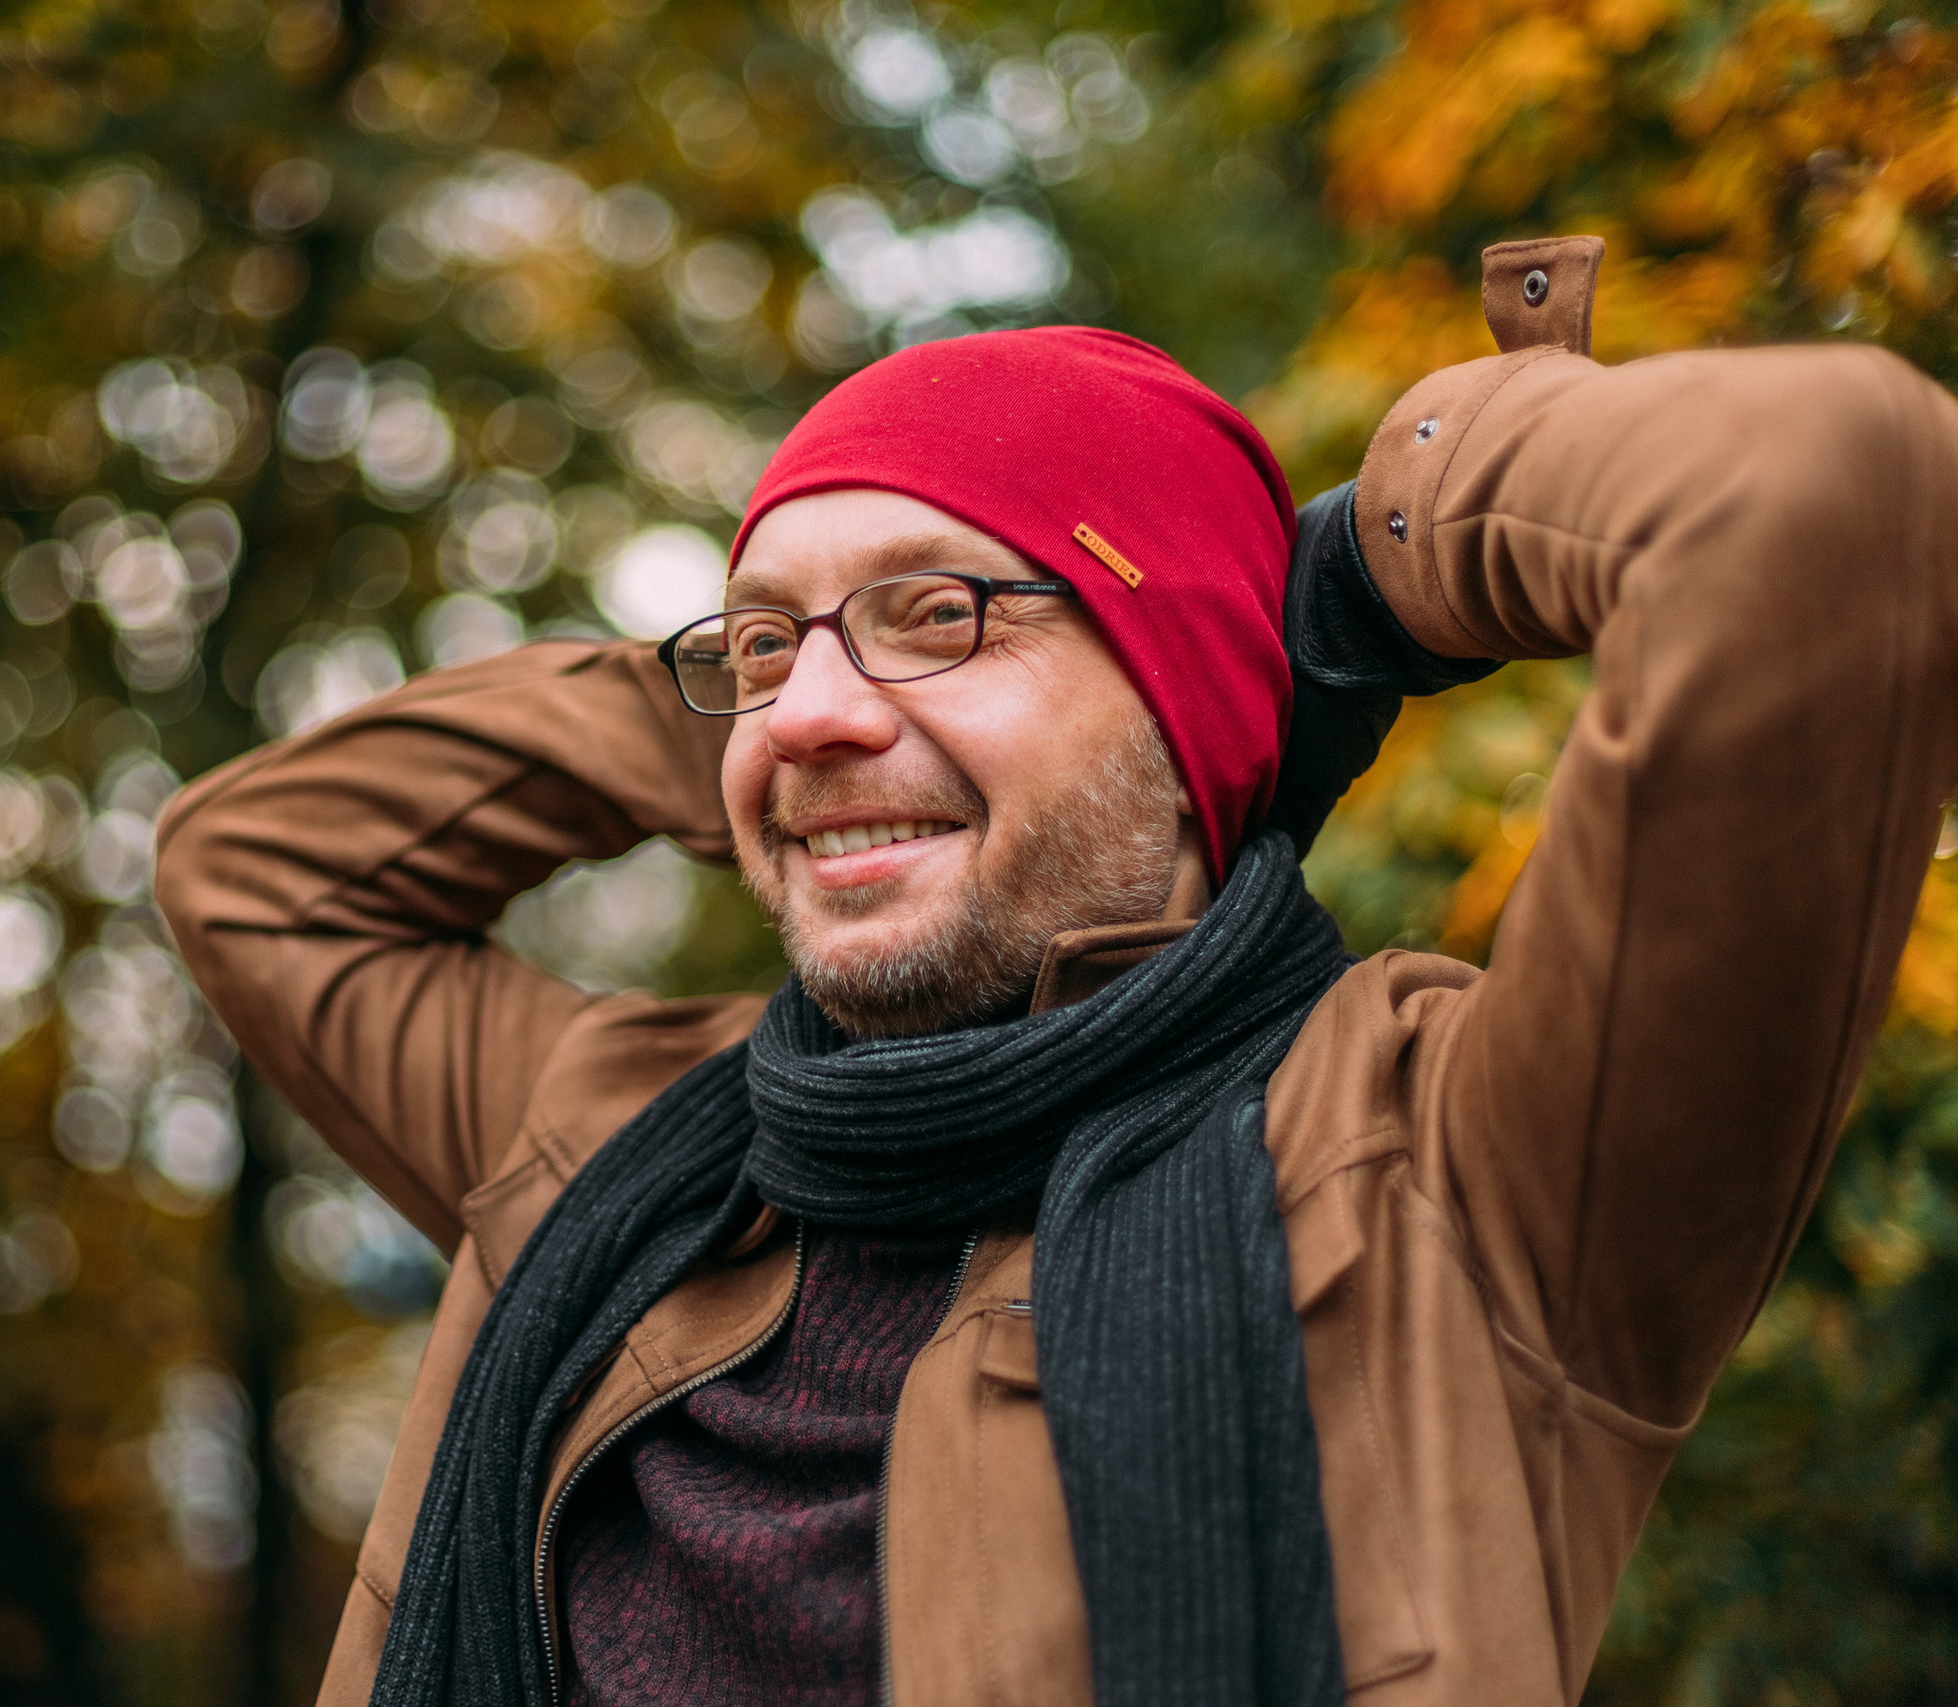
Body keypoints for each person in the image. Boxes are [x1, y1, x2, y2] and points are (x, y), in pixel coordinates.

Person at [155, 236, 1958, 1707]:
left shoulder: (1461, 1171)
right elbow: (255, 869)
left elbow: (1824, 494)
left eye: (945, 610)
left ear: (1189, 700)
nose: (813, 705)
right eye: (764, 637)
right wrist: (799, 735)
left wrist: (1355, 587)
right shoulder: (600, 1134)